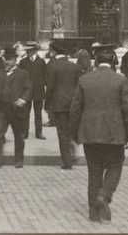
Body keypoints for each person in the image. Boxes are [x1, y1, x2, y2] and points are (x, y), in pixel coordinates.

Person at [70, 43, 128, 223]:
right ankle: (105, 195)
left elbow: (75, 109)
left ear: (96, 61)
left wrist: (75, 133)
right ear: (114, 61)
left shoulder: (84, 79)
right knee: (115, 165)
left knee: (94, 172)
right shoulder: (121, 80)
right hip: (114, 133)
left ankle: (93, 213)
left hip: (90, 134)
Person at [0, 46, 32, 169]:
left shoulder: (23, 73)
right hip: (2, 109)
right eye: (6, 59)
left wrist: (23, 99)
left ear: (15, 60)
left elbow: (28, 88)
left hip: (17, 110)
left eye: (10, 59)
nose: (7, 62)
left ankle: (18, 160)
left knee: (18, 135)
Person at [46, 39, 83, 169]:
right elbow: (80, 86)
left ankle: (67, 161)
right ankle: (72, 150)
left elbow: (49, 87)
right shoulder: (75, 67)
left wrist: (47, 104)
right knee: (71, 129)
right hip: (73, 104)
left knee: (62, 133)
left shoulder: (52, 66)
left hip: (59, 104)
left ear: (54, 51)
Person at [19, 41, 48, 140]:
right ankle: (24, 132)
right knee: (25, 114)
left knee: (38, 114)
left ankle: (39, 133)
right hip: (26, 92)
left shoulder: (41, 62)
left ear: (35, 51)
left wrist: (41, 85)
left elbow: (45, 76)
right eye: (27, 51)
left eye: (30, 50)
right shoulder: (23, 62)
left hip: (38, 92)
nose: (28, 52)